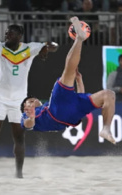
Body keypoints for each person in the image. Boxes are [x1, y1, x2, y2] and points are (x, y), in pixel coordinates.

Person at [0, 15, 58, 180]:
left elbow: (54, 46)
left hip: (19, 101)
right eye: (6, 34)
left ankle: (19, 173)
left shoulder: (29, 48)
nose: (6, 36)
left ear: (19, 36)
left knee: (19, 137)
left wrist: (46, 49)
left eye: (10, 34)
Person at [20, 16, 116, 145]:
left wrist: (79, 81)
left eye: (32, 100)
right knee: (68, 71)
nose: (32, 102)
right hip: (56, 112)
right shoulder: (26, 115)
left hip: (72, 114)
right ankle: (79, 39)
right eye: (28, 102)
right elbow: (27, 125)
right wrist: (31, 117)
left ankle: (106, 129)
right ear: (24, 108)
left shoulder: (44, 106)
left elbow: (80, 97)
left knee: (109, 95)